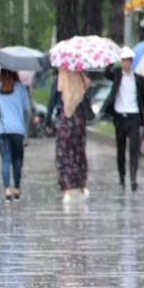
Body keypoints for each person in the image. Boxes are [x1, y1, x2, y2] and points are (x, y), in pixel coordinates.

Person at [102, 47, 144, 191]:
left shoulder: (139, 79)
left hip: (133, 116)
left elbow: (143, 98)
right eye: (122, 61)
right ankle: (122, 176)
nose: (125, 64)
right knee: (121, 149)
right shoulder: (117, 75)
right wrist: (112, 59)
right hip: (120, 116)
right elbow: (106, 72)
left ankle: (133, 178)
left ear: (131, 62)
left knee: (134, 149)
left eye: (127, 61)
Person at [0, 69, 30, 201]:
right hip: (18, 131)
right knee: (16, 160)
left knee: (5, 160)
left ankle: (6, 190)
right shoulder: (21, 89)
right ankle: (16, 188)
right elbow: (27, 110)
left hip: (2, 130)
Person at [56, 69, 91, 204]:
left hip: (66, 121)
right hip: (79, 122)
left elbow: (56, 97)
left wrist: (48, 120)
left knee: (64, 155)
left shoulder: (62, 78)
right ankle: (81, 186)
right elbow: (87, 100)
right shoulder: (82, 78)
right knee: (79, 153)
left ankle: (68, 189)